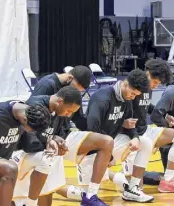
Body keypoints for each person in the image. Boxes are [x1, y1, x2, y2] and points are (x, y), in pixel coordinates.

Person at [30, 65, 114, 206]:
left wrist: (95, 139)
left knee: (105, 142)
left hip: (63, 136)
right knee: (47, 181)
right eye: (75, 88)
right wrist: (50, 139)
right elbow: (32, 118)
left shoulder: (72, 95)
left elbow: (79, 120)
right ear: (69, 77)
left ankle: (90, 196)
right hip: (44, 139)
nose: (76, 92)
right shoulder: (47, 85)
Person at [77, 69, 156, 203]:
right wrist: (109, 156)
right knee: (81, 195)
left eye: (136, 95)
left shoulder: (127, 99)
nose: (133, 97)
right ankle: (92, 192)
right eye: (132, 93)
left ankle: (132, 188)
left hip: (111, 144)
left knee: (145, 142)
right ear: (125, 83)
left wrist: (135, 137)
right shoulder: (102, 98)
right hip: (91, 149)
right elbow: (92, 129)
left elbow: (130, 124)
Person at [121, 59, 174, 192]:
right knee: (136, 188)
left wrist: (165, 116)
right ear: (148, 73)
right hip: (131, 135)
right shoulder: (133, 85)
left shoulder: (148, 88)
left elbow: (145, 106)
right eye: (154, 83)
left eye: (158, 84)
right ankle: (117, 177)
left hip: (145, 131)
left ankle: (168, 180)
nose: (155, 86)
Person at [11, 86, 82, 206]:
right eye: (68, 111)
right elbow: (29, 143)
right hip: (17, 152)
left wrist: (59, 142)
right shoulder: (35, 106)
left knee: (52, 157)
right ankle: (31, 203)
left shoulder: (60, 112)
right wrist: (50, 142)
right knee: (48, 157)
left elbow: (61, 133)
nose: (68, 115)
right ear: (60, 101)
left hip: (36, 154)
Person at [0, 101, 51, 206]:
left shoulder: (28, 112)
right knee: (9, 169)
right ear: (24, 120)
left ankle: (30, 203)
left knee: (45, 159)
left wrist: (50, 140)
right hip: (0, 163)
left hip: (3, 160)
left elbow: (31, 143)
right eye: (31, 130)